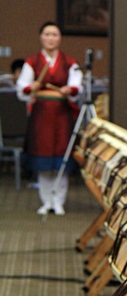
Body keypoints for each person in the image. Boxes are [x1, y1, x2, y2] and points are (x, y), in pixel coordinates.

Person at [16, 21, 83, 215]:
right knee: (43, 159)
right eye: (47, 34)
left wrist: (70, 89)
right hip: (41, 116)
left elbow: (76, 88)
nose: (50, 38)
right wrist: (31, 88)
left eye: (54, 34)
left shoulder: (70, 62)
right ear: (41, 37)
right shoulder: (32, 62)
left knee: (61, 159)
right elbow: (22, 87)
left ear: (59, 38)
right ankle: (46, 201)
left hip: (62, 116)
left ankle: (59, 201)